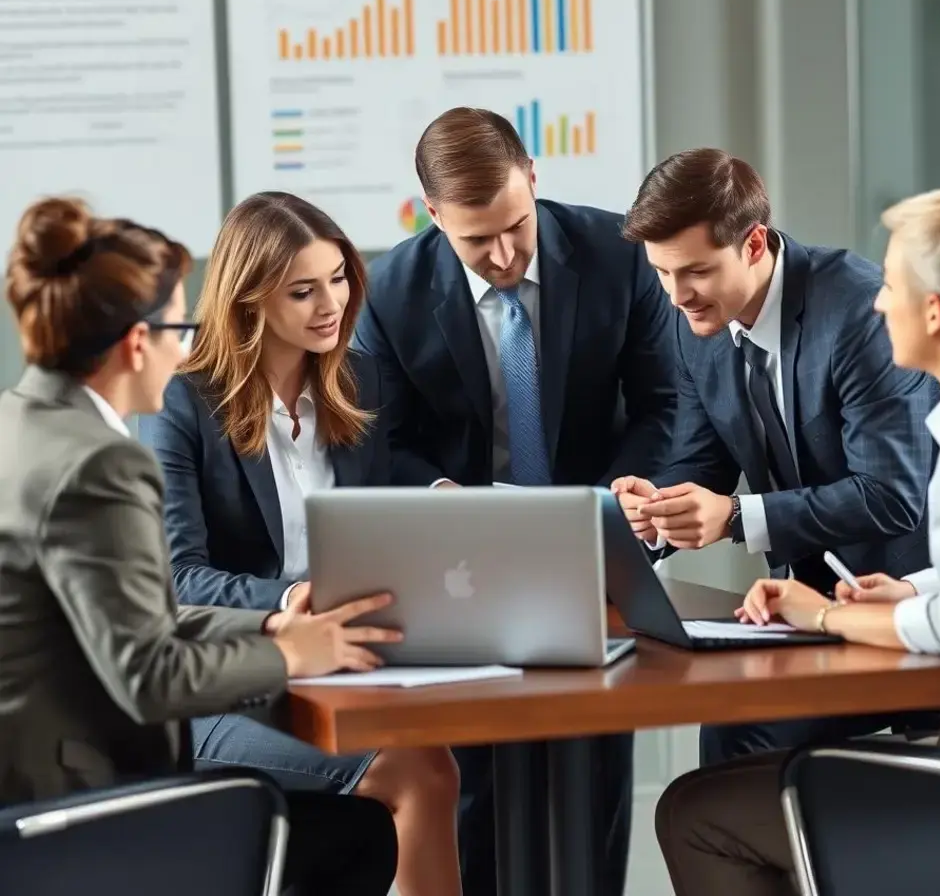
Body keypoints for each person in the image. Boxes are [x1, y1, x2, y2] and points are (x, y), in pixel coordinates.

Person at [654, 188, 940, 896]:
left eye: (890, 287)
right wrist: (916, 587)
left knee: (696, 814)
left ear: (935, 312)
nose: (877, 303)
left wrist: (821, 614)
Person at [0, 196, 401, 895]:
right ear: (135, 343)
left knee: (357, 833)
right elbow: (149, 673)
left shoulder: (19, 421)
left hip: (30, 775)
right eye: (178, 329)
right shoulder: (101, 461)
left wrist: (274, 623)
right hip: (67, 794)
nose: (189, 348)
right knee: (362, 823)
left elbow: (130, 614)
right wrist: (284, 653)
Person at [355, 106, 679, 896]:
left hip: (595, 551)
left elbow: (666, 404)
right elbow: (379, 443)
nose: (502, 255)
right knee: (479, 794)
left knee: (593, 788)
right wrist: (443, 499)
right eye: (475, 240)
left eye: (515, 226)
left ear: (533, 178)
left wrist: (621, 497)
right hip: (464, 565)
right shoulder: (389, 293)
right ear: (432, 216)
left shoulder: (617, 256)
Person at [138, 192, 461, 896]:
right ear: (251, 298)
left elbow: (375, 529)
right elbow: (178, 576)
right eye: (304, 290)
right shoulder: (184, 400)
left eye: (340, 279)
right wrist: (288, 601)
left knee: (443, 753)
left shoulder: (358, 381)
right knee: (420, 768)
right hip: (226, 682)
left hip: (349, 664)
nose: (332, 305)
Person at [614, 148, 940, 764]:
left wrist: (735, 517)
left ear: (755, 244)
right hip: (809, 611)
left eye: (696, 272)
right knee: (730, 734)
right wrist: (655, 511)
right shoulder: (696, 324)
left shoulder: (859, 314)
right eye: (662, 272)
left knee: (737, 740)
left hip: (910, 605)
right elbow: (698, 462)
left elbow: (893, 495)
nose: (678, 294)